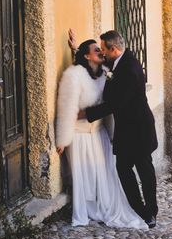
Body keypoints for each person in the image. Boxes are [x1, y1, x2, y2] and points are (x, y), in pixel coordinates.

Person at [55, 39, 147, 229]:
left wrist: (77, 48)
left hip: (99, 134)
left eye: (102, 49)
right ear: (87, 56)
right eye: (97, 50)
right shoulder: (73, 75)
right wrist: (62, 140)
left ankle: (103, 207)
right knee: (85, 177)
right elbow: (67, 107)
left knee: (103, 175)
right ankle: (86, 210)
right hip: (80, 135)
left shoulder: (104, 72)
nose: (101, 52)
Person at [80, 30, 159, 228]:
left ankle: (147, 212)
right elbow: (107, 65)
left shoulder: (129, 70)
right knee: (127, 168)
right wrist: (78, 50)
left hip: (138, 130)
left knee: (142, 171)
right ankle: (143, 210)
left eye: (104, 49)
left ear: (113, 49)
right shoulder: (123, 60)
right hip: (128, 129)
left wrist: (86, 114)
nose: (102, 53)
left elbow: (115, 104)